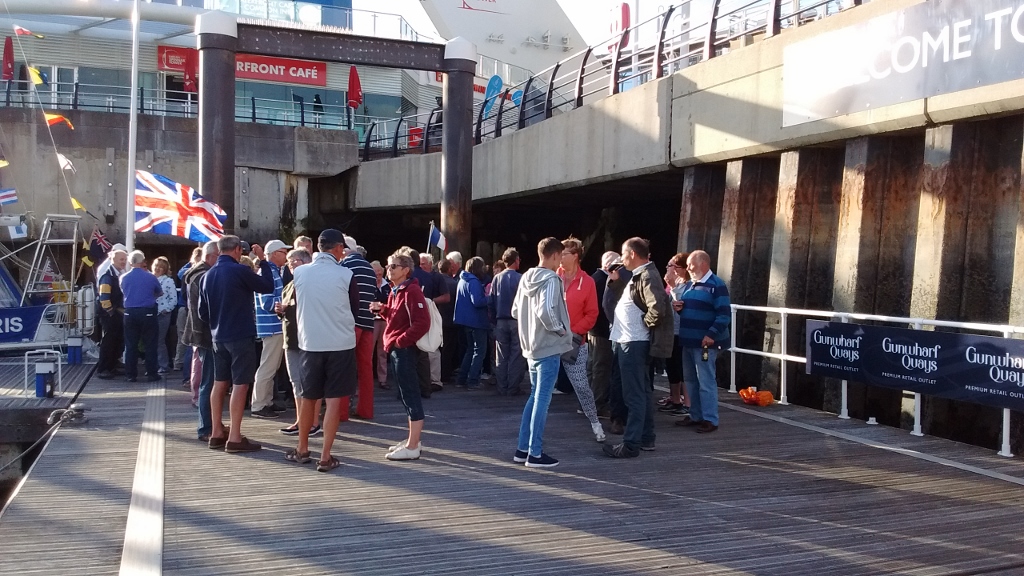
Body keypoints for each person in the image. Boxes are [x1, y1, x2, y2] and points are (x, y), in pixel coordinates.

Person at [287, 229, 359, 472]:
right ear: (338, 248)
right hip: (340, 344)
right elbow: (356, 309)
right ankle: (326, 455)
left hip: (310, 343)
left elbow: (294, 302)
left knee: (309, 398)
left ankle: (302, 448)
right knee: (334, 400)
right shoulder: (347, 274)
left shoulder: (299, 272)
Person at [198, 235, 275, 453]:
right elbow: (267, 286)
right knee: (241, 384)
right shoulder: (240, 271)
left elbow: (202, 313)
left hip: (217, 336)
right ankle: (234, 437)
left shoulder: (208, 275)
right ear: (237, 251)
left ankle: (215, 432)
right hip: (240, 334)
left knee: (219, 382)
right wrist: (264, 261)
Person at [601, 237, 672, 458]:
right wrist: (615, 283)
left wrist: (644, 325)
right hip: (631, 341)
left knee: (634, 395)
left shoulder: (648, 275)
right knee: (641, 391)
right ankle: (646, 438)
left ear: (632, 253)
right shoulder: (640, 275)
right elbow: (636, 300)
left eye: (623, 254)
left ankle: (631, 444)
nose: (621, 259)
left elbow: (657, 308)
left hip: (634, 343)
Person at [512, 237, 572, 469]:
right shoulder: (551, 279)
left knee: (534, 397)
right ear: (556, 255)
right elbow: (546, 311)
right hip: (547, 346)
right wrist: (561, 330)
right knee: (542, 400)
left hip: (530, 347)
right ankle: (535, 453)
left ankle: (522, 448)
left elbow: (516, 310)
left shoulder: (526, 276)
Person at [371, 251, 431, 461]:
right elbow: (398, 317)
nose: (389, 269)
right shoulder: (396, 290)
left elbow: (422, 322)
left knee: (411, 395)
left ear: (406, 270)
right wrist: (383, 310)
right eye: (389, 266)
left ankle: (413, 445)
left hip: (404, 350)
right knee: (406, 396)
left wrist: (401, 341)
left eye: (393, 266)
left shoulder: (411, 291)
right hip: (398, 349)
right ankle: (412, 440)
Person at [674, 250, 731, 433]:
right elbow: (693, 310)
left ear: (703, 264)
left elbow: (724, 314)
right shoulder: (691, 285)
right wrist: (680, 309)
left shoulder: (717, 285)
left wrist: (711, 335)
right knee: (690, 380)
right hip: (689, 341)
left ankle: (710, 419)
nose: (688, 268)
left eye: (691, 264)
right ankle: (695, 415)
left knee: (706, 380)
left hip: (705, 342)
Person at [558, 238, 605, 442]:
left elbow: (592, 314)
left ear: (575, 256)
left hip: (575, 342)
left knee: (582, 386)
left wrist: (572, 332)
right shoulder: (552, 277)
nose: (559, 257)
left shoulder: (587, 282)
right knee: (540, 388)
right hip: (550, 341)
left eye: (564, 253)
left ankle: (595, 423)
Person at [276, 248, 322, 437]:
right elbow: (287, 311)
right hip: (291, 338)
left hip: (309, 339)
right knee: (296, 381)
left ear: (305, 262)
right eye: (288, 261)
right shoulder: (289, 285)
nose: (290, 264)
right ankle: (300, 419)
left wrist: (291, 306)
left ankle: (313, 422)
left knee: (312, 382)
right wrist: (280, 310)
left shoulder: (313, 283)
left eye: (294, 261)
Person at [182, 241, 218, 441]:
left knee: (209, 380)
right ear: (213, 256)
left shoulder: (194, 274)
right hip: (205, 334)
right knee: (209, 382)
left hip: (199, 333)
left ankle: (211, 424)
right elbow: (204, 311)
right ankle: (206, 427)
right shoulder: (203, 276)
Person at [250, 239, 290, 419]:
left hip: (271, 325)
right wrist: (284, 305)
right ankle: (259, 405)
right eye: (283, 252)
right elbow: (267, 302)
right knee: (268, 366)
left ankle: (266, 401)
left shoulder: (270, 272)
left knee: (270, 366)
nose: (287, 256)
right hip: (272, 325)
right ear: (274, 254)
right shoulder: (270, 273)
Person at [342, 234, 378, 420]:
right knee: (365, 369)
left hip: (351, 323)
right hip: (368, 323)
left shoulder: (345, 266)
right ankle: (365, 409)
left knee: (344, 367)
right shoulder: (370, 268)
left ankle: (340, 412)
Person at [120, 250, 164, 383]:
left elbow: (124, 290)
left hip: (130, 312)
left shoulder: (124, 277)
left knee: (131, 344)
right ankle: (152, 373)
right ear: (143, 261)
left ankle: (130, 375)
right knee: (150, 344)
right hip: (148, 312)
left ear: (130, 262)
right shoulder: (151, 277)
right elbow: (159, 292)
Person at [658, 252, 692, 416]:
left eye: (671, 266)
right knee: (672, 366)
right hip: (671, 331)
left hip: (682, 331)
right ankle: (675, 398)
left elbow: (680, 304)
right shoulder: (671, 285)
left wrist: (672, 287)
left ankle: (687, 402)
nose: (668, 269)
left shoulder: (688, 285)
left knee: (682, 366)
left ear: (681, 269)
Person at [489, 248, 524, 396]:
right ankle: (513, 387)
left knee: (501, 355)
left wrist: (494, 320)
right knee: (517, 355)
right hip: (517, 321)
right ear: (516, 261)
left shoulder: (497, 278)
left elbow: (491, 301)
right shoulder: (521, 278)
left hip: (501, 320)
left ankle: (502, 387)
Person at [588, 251, 619, 420]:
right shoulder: (604, 280)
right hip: (602, 330)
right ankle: (598, 405)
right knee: (601, 368)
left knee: (592, 367)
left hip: (593, 330)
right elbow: (607, 306)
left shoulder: (594, 278)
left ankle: (587, 403)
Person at [454, 256, 489, 390]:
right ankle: (473, 380)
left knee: (470, 350)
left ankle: (461, 379)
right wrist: (491, 297)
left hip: (466, 321)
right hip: (477, 321)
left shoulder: (462, 280)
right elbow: (478, 301)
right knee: (479, 351)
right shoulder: (474, 282)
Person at [418, 253, 450, 392]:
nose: (421, 266)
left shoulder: (437, 277)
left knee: (433, 345)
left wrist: (430, 302)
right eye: (419, 263)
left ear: (431, 264)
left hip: (432, 314)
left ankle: (435, 380)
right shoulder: (415, 277)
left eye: (424, 263)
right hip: (417, 315)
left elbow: (446, 297)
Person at [95, 247, 128, 380]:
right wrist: (111, 312)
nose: (124, 262)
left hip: (116, 313)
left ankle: (112, 366)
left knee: (116, 341)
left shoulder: (119, 274)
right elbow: (104, 297)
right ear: (113, 259)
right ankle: (103, 369)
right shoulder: (107, 276)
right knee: (108, 341)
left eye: (125, 259)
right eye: (121, 259)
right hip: (109, 314)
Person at [174, 247, 202, 375]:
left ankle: (182, 369)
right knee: (192, 342)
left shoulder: (186, 272)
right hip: (191, 310)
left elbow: (180, 273)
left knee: (185, 341)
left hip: (185, 308)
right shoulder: (197, 273)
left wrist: (191, 261)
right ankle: (186, 371)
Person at [151, 256, 177, 374]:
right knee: (151, 340)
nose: (158, 269)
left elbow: (173, 299)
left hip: (162, 314)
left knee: (159, 340)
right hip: (150, 313)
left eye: (161, 267)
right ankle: (152, 365)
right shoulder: (149, 278)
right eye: (156, 266)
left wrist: (167, 309)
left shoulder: (168, 281)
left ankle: (163, 365)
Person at [370, 260, 390, 389]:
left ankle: (383, 379)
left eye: (379, 272)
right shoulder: (368, 285)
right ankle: (366, 379)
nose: (378, 275)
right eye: (375, 272)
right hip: (371, 320)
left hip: (384, 321)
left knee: (382, 351)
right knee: (368, 351)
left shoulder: (387, 286)